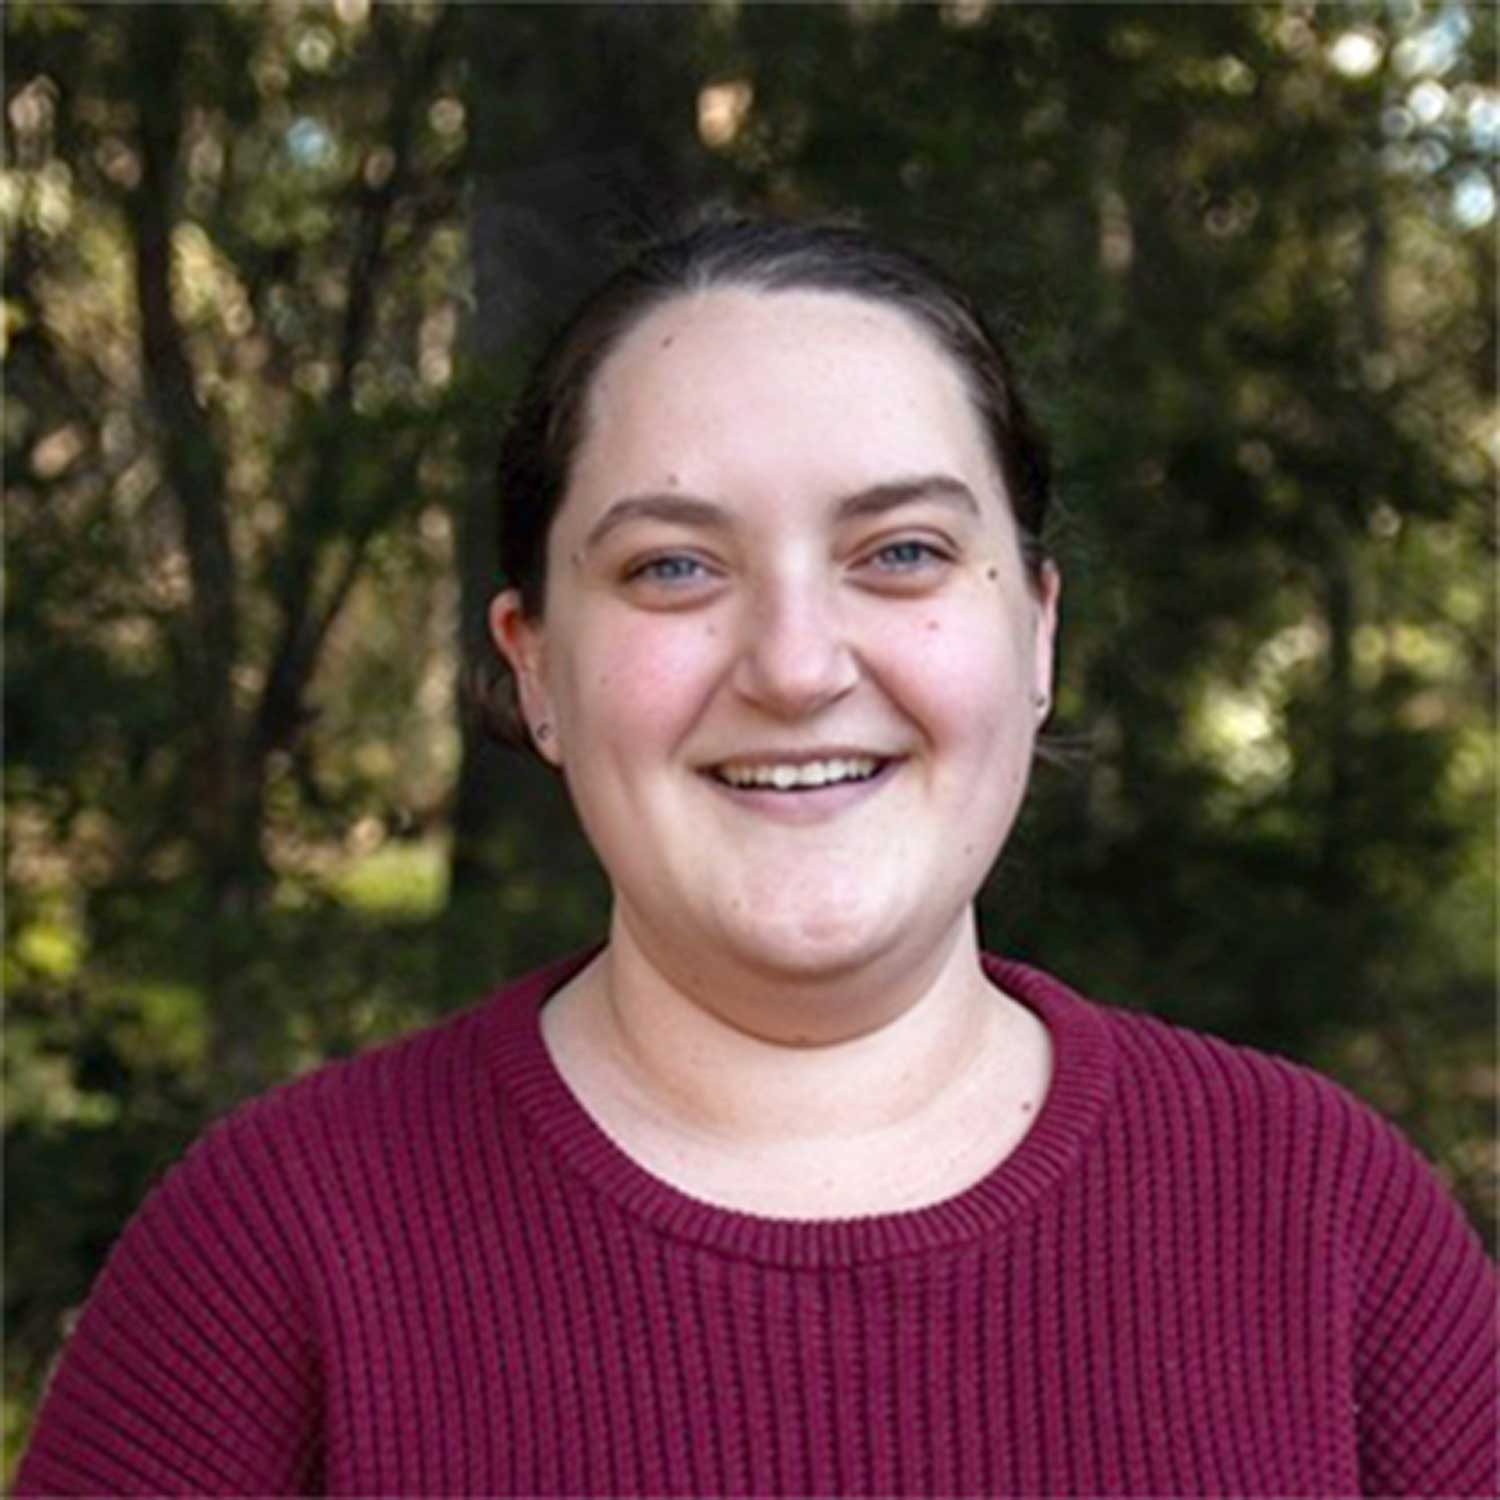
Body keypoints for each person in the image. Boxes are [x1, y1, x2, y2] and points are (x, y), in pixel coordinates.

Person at [16, 216, 1496, 1499]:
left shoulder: (1322, 1220)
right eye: (674, 567)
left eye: (902, 551)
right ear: (534, 666)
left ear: (1037, 631)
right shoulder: (280, 1254)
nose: (794, 666)